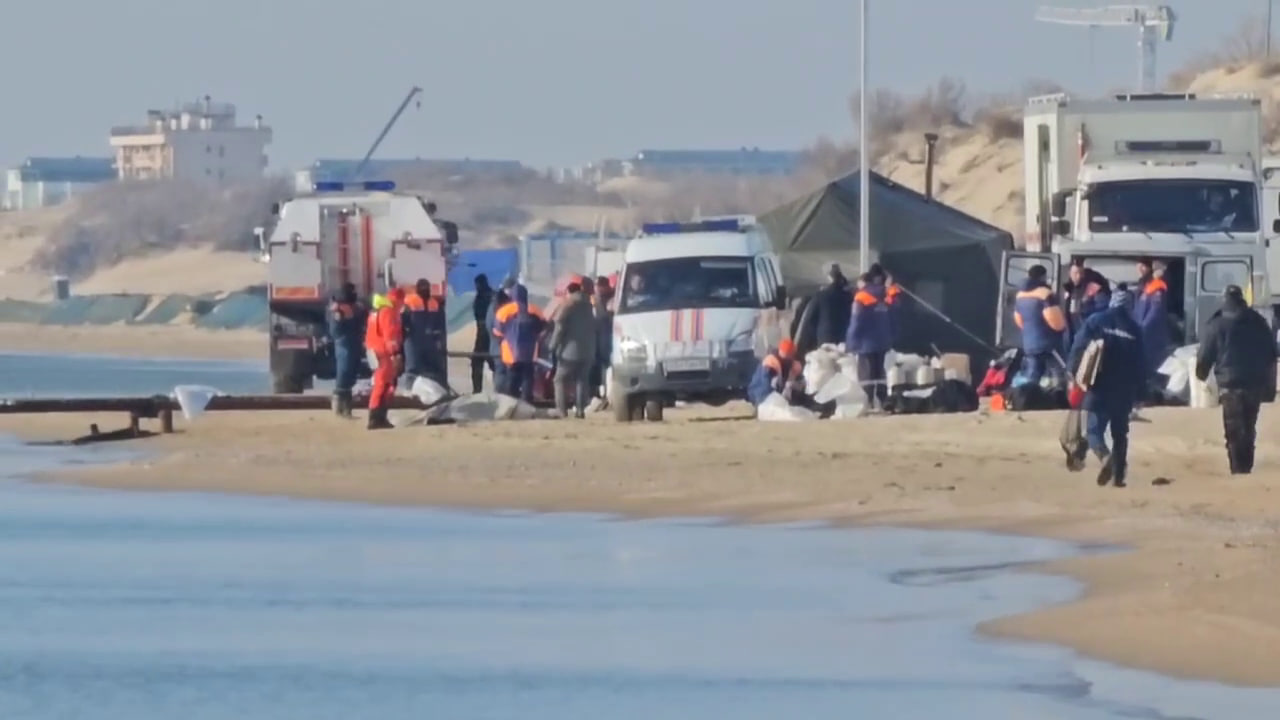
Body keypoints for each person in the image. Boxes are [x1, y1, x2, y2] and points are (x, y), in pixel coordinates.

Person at [1067, 284, 1146, 488]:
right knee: (1120, 434)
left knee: (1094, 431)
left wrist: (1073, 372)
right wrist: (1140, 392)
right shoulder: (1135, 329)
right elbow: (1142, 363)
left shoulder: (1096, 321)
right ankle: (1118, 477)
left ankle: (1104, 457)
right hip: (1124, 390)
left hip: (1098, 385)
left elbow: (1078, 347)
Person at [1195, 285, 1278, 475]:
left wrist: (1201, 374)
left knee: (1233, 428)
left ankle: (1237, 468)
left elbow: (1205, 355)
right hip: (1253, 383)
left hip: (1229, 385)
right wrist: (1268, 385)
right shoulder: (1258, 322)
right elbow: (1271, 354)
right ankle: (1246, 466)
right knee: (1248, 426)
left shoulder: (1216, 324)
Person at [1013, 264, 1068, 385]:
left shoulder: (1020, 295)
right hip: (1049, 343)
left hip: (1029, 343)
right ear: (1043, 276)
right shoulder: (1045, 294)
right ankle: (1059, 399)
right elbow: (1055, 320)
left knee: (1033, 373)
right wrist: (1063, 328)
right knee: (1058, 371)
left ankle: (1028, 399)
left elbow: (1018, 319)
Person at [550, 281, 597, 418]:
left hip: (569, 351)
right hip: (588, 350)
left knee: (559, 380)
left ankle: (561, 410)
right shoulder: (589, 305)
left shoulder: (568, 305)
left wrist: (553, 345)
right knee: (582, 380)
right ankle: (580, 411)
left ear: (569, 292)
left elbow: (559, 327)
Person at [846, 273, 893, 409]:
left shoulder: (861, 297)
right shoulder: (884, 296)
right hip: (882, 341)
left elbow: (856, 321)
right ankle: (883, 401)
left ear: (863, 282)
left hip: (865, 343)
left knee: (866, 374)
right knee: (879, 372)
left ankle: (868, 402)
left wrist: (851, 342)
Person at [493, 284, 546, 403]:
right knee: (528, 377)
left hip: (510, 353)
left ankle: (510, 402)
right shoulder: (535, 310)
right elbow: (542, 328)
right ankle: (527, 402)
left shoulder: (504, 311)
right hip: (531, 352)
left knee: (512, 378)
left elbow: (497, 332)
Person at [365, 287, 406, 430]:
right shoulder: (389, 312)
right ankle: (376, 417)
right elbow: (390, 335)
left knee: (382, 383)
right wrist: (395, 354)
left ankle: (378, 416)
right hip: (383, 353)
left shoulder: (377, 310)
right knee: (384, 384)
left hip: (374, 350)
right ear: (398, 299)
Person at [326, 282, 364, 418]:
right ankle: (339, 405)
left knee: (351, 373)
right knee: (344, 371)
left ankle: (347, 409)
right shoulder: (337, 309)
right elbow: (335, 330)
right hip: (344, 343)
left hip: (353, 342)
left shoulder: (354, 307)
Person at [1133, 258, 1171, 392]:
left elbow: (1155, 311)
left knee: (1153, 364)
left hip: (1152, 335)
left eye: (1144, 266)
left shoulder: (1157, 286)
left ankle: (1155, 392)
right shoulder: (1143, 285)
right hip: (1143, 332)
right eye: (1140, 265)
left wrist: (1143, 327)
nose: (1141, 268)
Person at [403, 279, 445, 387]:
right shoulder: (409, 301)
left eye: (427, 288)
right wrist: (405, 333)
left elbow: (439, 322)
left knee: (433, 368)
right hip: (412, 340)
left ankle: (434, 392)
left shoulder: (434, 303)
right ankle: (409, 393)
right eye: (423, 288)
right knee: (412, 368)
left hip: (429, 341)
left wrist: (438, 338)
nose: (425, 290)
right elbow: (402, 320)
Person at [1063, 260, 1110, 351]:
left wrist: (1085, 310)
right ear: (1070, 273)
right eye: (1075, 273)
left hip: (1086, 333)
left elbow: (1103, 310)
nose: (1078, 276)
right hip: (1070, 332)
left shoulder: (1093, 288)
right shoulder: (1068, 288)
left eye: (1081, 273)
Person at [803, 262, 852, 348]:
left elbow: (809, 319)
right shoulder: (848, 296)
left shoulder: (821, 296)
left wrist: (813, 336)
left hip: (825, 339)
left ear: (828, 277)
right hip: (844, 339)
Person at [747, 339, 804, 408]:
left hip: (775, 395)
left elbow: (800, 384)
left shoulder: (792, 365)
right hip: (759, 395)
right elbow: (765, 388)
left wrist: (793, 386)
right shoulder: (770, 363)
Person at [471, 274, 495, 394]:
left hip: (484, 335)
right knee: (495, 364)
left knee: (477, 362)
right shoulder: (494, 296)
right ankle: (500, 391)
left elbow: (479, 316)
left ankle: (477, 390)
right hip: (491, 336)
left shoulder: (482, 297)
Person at [593, 276, 615, 401]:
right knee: (599, 365)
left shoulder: (613, 298)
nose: (598, 289)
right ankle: (600, 391)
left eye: (600, 286)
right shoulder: (594, 300)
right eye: (596, 286)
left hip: (609, 335)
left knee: (608, 364)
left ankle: (608, 391)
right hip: (597, 336)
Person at [485, 287, 510, 393]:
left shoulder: (492, 308)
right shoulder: (502, 310)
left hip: (495, 348)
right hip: (503, 348)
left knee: (500, 372)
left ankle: (499, 396)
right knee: (502, 373)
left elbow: (489, 327)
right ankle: (502, 396)